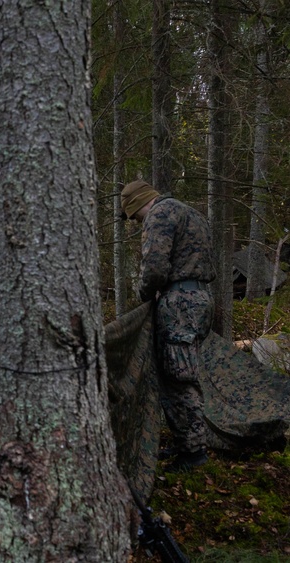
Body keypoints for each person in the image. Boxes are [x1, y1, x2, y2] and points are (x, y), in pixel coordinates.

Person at [121, 179, 216, 472]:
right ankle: (186, 441)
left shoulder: (159, 214)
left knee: (178, 377)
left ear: (139, 205)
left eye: (135, 216)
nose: (138, 223)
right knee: (183, 371)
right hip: (199, 298)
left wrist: (144, 295)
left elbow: (155, 267)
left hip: (180, 303)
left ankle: (194, 453)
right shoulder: (190, 213)